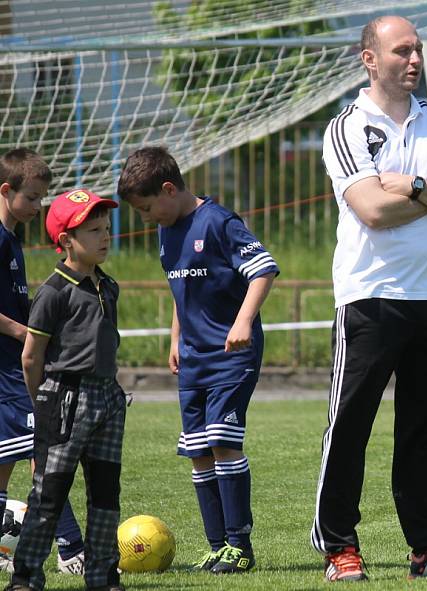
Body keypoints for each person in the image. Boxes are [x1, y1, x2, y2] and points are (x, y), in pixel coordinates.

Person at [310, 15, 427, 582]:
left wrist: (412, 184)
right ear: (369, 59)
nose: (413, 59)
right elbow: (373, 212)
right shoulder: (346, 128)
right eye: (401, 50)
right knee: (350, 426)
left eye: (417, 50)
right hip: (371, 297)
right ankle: (339, 545)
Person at [117, 146, 279, 575]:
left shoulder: (219, 222)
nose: (147, 218)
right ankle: (217, 545)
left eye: (148, 207)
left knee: (224, 441)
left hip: (231, 355)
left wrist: (244, 321)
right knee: (197, 450)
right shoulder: (166, 228)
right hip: (192, 357)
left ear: (169, 189)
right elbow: (180, 290)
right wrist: (175, 338)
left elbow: (263, 270)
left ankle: (240, 546)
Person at [8, 189, 125, 591]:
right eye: (93, 231)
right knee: (49, 494)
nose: (104, 237)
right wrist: (45, 403)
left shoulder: (109, 287)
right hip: (64, 398)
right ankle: (25, 576)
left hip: (108, 397)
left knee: (107, 495)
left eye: (106, 228)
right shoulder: (54, 293)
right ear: (66, 241)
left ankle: (103, 574)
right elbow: (31, 357)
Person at [0, 149, 87, 577]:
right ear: (6, 191)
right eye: (33, 198)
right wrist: (26, 333)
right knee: (45, 451)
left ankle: (2, 545)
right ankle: (71, 547)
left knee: (6, 457)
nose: (39, 207)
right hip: (7, 366)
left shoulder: (12, 237)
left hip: (10, 366)